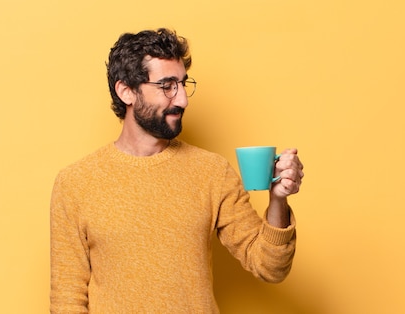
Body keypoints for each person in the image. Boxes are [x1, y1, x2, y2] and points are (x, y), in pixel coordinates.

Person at [50, 28, 304, 313]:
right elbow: (67, 300)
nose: (182, 99)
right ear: (126, 91)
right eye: (167, 86)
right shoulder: (75, 183)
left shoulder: (211, 172)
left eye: (183, 84)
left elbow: (270, 267)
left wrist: (278, 199)